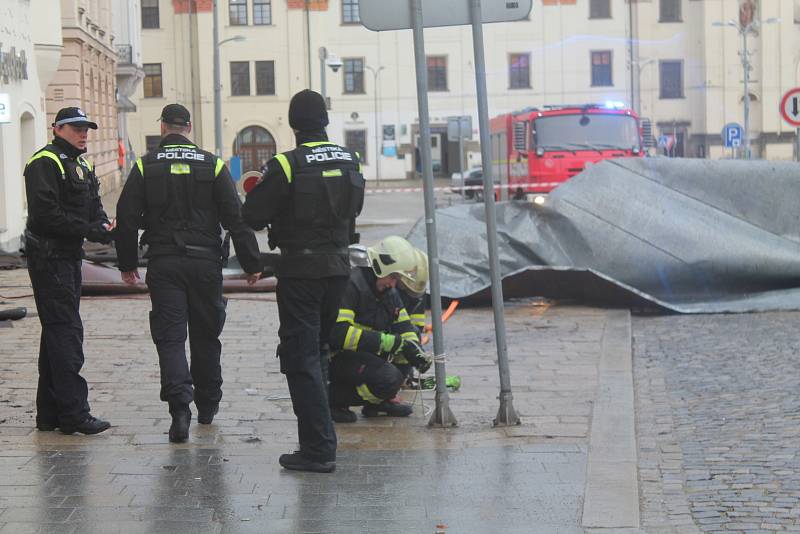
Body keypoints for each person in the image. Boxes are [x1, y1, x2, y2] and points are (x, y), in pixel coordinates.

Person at [115, 103, 262, 443]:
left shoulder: (145, 165)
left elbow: (125, 218)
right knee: (206, 334)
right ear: (189, 127)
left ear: (164, 126)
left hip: (165, 264)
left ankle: (180, 409)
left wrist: (127, 265)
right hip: (205, 263)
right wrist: (252, 263)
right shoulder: (212, 165)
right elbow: (234, 218)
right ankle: (208, 405)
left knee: (170, 337)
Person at [242, 89, 365, 473]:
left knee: (302, 357)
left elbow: (253, 215)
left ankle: (317, 449)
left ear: (294, 125)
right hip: (339, 269)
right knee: (323, 350)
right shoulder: (349, 158)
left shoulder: (287, 163)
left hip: (301, 274)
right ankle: (324, 434)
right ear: (325, 121)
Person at [23, 106, 113, 435]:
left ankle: (49, 415)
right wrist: (89, 230)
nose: (83, 133)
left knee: (55, 335)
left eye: (86, 128)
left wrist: (102, 223)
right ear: (57, 129)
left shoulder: (81, 164)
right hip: (50, 259)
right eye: (76, 128)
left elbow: (93, 204)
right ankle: (75, 414)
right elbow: (46, 215)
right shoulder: (44, 163)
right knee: (66, 333)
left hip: (68, 256)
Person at [328, 236, 432, 424]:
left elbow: (405, 327)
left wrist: (415, 350)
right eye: (393, 277)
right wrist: (391, 343)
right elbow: (338, 334)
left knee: (404, 356)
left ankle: (377, 403)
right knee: (389, 378)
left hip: (364, 355)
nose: (393, 284)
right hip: (338, 358)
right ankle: (333, 399)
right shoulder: (351, 284)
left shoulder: (388, 293)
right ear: (381, 266)